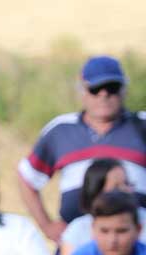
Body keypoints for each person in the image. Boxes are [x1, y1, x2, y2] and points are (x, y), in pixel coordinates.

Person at [18, 55, 146, 243]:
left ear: (124, 90)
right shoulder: (60, 129)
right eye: (95, 89)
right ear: (82, 91)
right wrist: (47, 226)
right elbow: (27, 178)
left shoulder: (141, 125)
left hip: (136, 240)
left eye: (112, 88)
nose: (104, 95)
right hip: (77, 240)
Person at [58, 158, 146, 255]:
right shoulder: (77, 230)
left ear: (138, 229)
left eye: (127, 184)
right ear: (95, 192)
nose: (125, 190)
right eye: (116, 187)